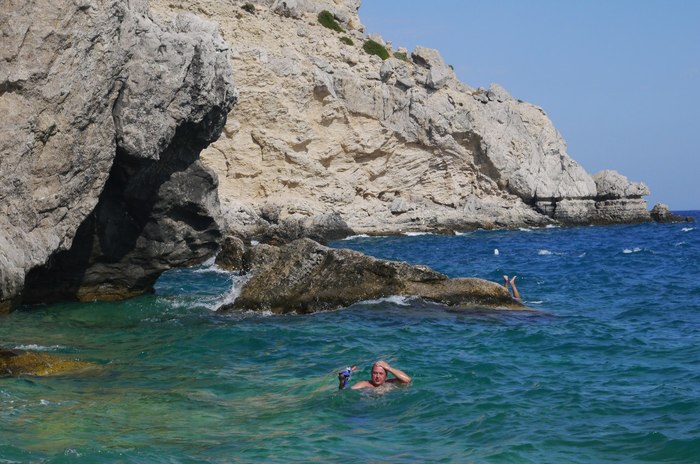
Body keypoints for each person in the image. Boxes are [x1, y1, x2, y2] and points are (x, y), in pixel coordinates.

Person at [340, 360, 411, 390]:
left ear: (386, 375)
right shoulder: (365, 384)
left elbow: (407, 380)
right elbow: (345, 391)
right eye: (375, 373)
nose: (377, 376)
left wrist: (389, 368)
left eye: (381, 374)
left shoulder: (390, 383)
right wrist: (342, 383)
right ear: (371, 374)